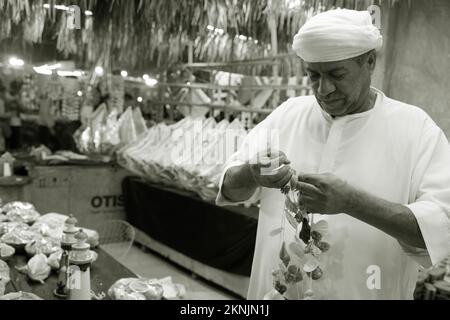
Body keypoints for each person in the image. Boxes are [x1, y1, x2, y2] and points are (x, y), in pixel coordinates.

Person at [216, 9, 450, 300]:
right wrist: (251, 173)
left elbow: (441, 227)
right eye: (313, 76)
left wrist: (353, 203)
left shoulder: (416, 131)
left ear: (370, 62)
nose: (323, 89)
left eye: (337, 75)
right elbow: (228, 188)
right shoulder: (288, 115)